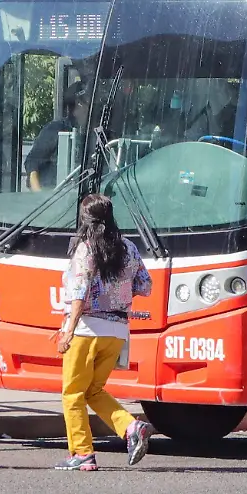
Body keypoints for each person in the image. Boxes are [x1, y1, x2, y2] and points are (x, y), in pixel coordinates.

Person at [53, 194, 152, 471]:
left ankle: (82, 453)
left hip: (86, 329)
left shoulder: (85, 248)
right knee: (93, 390)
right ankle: (131, 426)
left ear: (84, 219)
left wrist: (67, 331)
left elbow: (80, 291)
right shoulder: (129, 247)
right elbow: (145, 285)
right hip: (117, 331)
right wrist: (115, 292)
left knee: (72, 393)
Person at [25, 99, 88, 191]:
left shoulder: (96, 133)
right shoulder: (56, 129)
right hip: (53, 197)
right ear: (79, 105)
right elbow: (32, 163)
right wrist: (39, 196)